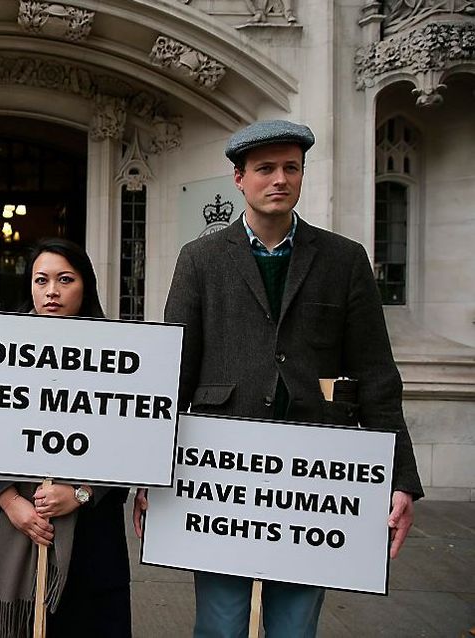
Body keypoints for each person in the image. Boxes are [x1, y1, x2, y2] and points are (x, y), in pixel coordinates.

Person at [155, 120, 423, 637]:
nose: (279, 179)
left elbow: (375, 373)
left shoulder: (344, 260)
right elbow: (174, 372)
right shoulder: (201, 259)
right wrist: (153, 476)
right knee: (220, 624)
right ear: (239, 178)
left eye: (291, 168)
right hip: (220, 477)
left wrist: (401, 477)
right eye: (265, 169)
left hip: (314, 479)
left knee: (295, 627)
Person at [0, 238, 132, 638]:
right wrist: (10, 499)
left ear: (85, 285)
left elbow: (131, 442)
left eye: (64, 279)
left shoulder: (121, 354)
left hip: (88, 530)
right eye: (41, 280)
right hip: (4, 521)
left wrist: (81, 492)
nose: (51, 291)